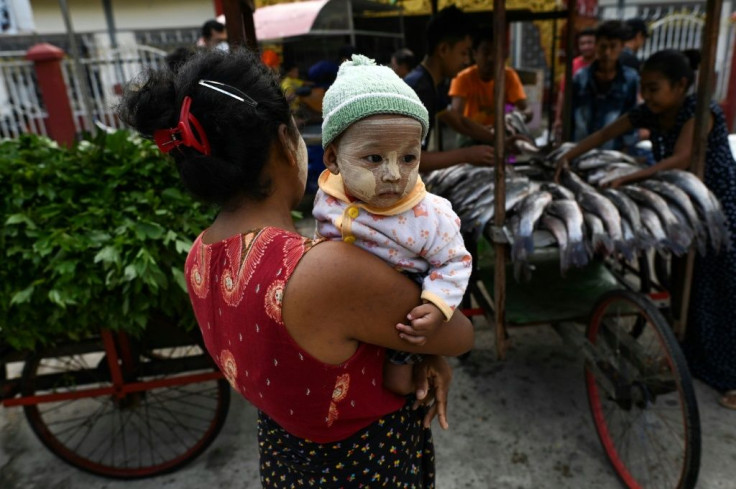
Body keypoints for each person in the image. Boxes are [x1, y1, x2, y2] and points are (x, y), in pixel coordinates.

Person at [119, 47, 473, 487]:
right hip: (366, 467)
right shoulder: (324, 271)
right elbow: (458, 335)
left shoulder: (200, 253)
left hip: (285, 460)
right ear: (287, 142)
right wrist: (430, 350)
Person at [553, 49, 736, 409]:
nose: (647, 97)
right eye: (645, 90)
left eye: (654, 89)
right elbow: (608, 131)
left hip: (717, 206)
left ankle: (732, 379)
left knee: (724, 292)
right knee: (690, 287)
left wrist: (629, 178)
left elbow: (681, 157)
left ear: (681, 85)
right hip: (683, 208)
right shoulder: (651, 111)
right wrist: (568, 155)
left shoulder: (701, 112)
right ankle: (692, 359)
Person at [313, 54, 473, 394]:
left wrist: (435, 306)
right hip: (346, 308)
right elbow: (322, 234)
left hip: (402, 311)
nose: (393, 174)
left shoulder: (430, 216)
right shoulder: (329, 196)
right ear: (333, 159)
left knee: (397, 384)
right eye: (373, 158)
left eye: (408, 158)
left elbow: (455, 261)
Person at [404, 5, 495, 170]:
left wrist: (496, 138)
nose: (467, 61)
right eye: (464, 53)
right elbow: (410, 160)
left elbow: (457, 120)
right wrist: (467, 155)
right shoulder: (419, 90)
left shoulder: (432, 84)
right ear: (444, 49)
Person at [448, 25, 532, 146]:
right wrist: (484, 132)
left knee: (512, 156)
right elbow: (456, 117)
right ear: (475, 54)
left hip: (502, 134)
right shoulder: (462, 78)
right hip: (471, 134)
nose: (491, 58)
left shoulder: (509, 76)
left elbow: (527, 110)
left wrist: (516, 118)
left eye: (496, 52)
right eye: (486, 52)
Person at [569, 20, 639, 151]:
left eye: (613, 47)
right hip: (580, 149)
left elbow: (631, 118)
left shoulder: (630, 79)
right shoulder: (580, 78)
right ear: (596, 46)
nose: (607, 52)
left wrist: (627, 148)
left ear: (621, 47)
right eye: (603, 46)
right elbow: (570, 117)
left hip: (612, 152)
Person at [552, 27, 596, 141]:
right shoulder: (573, 65)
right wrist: (558, 118)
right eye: (582, 43)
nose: (586, 47)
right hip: (576, 117)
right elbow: (563, 92)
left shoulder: (603, 65)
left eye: (590, 43)